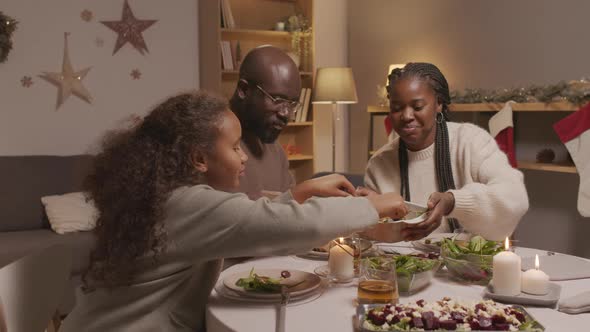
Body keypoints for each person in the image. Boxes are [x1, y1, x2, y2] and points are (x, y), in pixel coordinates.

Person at [60, 91, 407, 332]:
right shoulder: (190, 204)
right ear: (198, 158)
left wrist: (298, 192)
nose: (243, 157)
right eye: (234, 147)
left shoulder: (167, 197)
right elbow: (277, 226)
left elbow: (245, 222)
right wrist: (370, 206)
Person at [364, 62, 529, 242]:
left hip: (471, 266)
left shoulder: (471, 141)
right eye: (396, 108)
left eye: (417, 107)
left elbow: (515, 197)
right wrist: (364, 212)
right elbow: (372, 239)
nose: (406, 116)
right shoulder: (379, 164)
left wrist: (453, 202)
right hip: (402, 266)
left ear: (439, 104)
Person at [230, 46, 300, 199]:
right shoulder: (210, 143)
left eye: (292, 104)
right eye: (277, 99)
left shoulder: (276, 151)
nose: (286, 114)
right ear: (243, 90)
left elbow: (290, 214)